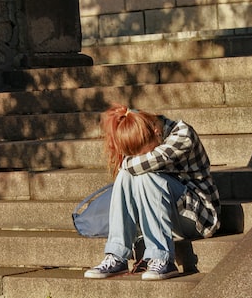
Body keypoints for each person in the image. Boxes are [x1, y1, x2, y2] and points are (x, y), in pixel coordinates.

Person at [84, 104, 220, 281]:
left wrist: (126, 163)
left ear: (156, 130)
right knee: (129, 175)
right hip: (168, 217)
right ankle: (117, 255)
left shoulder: (182, 134)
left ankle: (162, 258)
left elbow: (147, 162)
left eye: (144, 152)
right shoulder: (149, 134)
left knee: (143, 174)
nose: (141, 156)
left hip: (199, 218)